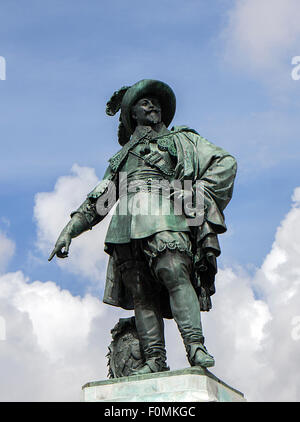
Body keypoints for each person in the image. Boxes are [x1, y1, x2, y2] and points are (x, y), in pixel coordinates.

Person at [49, 79, 237, 375]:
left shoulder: (182, 141)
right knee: (141, 293)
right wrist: (69, 230)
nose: (153, 106)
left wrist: (196, 192)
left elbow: (225, 162)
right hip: (125, 224)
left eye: (155, 102)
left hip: (165, 214)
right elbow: (102, 200)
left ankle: (195, 346)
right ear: (132, 114)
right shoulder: (122, 158)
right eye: (144, 102)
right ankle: (154, 359)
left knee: (174, 272)